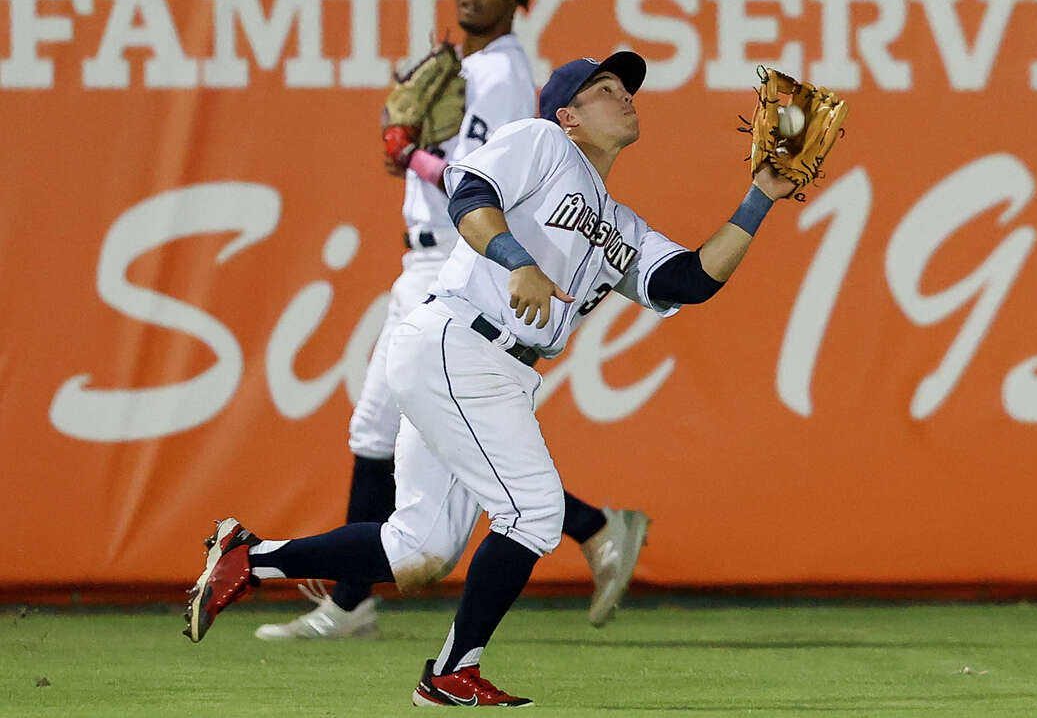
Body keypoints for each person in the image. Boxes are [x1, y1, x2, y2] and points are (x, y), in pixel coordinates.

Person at [183, 49, 801, 707]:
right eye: (606, 88)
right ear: (568, 114)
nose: (625, 96)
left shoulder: (620, 224)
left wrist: (761, 195)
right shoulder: (540, 141)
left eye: (628, 89)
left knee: (418, 549)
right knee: (532, 512)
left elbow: (691, 279)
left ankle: (249, 557)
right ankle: (451, 671)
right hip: (461, 339)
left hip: (484, 366)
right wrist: (516, 259)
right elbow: (470, 194)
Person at [253, 0, 648, 642]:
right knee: (420, 439)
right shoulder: (479, 66)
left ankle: (349, 602)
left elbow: (476, 181)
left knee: (402, 431)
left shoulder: (499, 72)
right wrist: (421, 156)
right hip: (430, 261)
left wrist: (415, 157)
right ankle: (586, 526)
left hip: (453, 264)